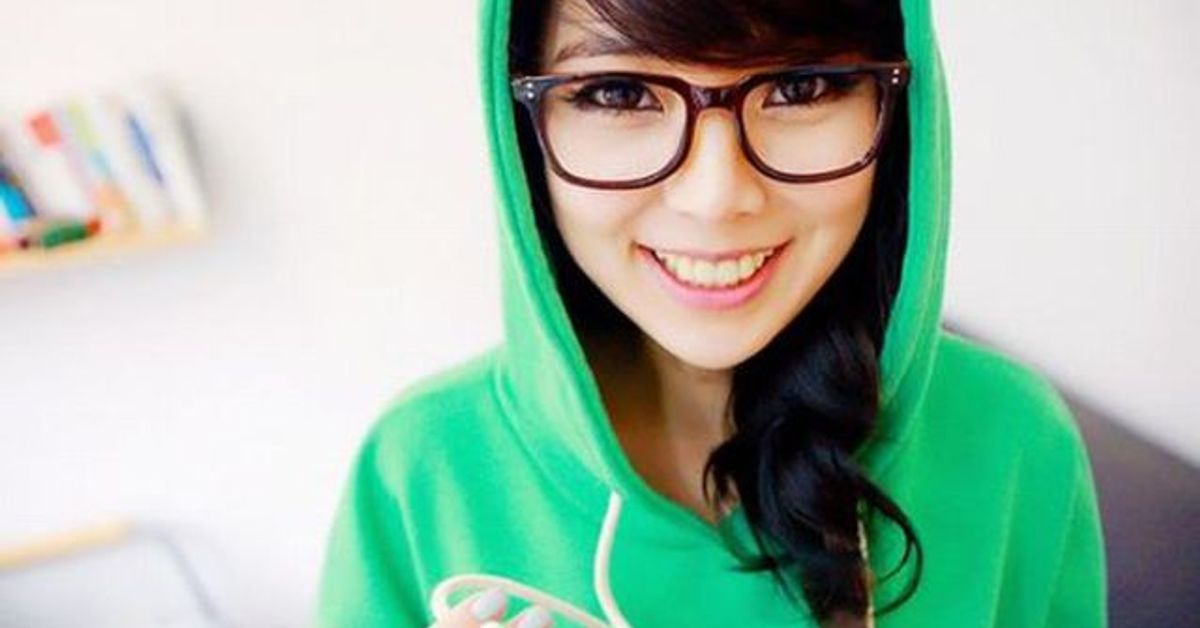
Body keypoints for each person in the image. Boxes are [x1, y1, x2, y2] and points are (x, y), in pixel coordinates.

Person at [317, 0, 1107, 626]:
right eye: (619, 93)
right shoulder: (418, 472)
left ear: (898, 111)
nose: (716, 196)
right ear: (521, 128)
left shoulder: (1015, 444)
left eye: (801, 87)